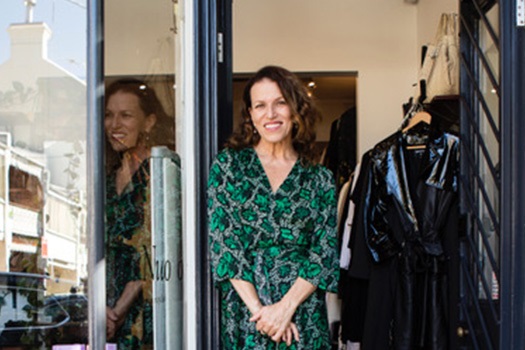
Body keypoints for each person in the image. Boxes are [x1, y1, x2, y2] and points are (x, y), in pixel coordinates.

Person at [208, 65, 340, 349]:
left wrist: (285, 308)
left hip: (301, 314)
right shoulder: (229, 167)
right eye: (260, 105)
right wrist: (263, 313)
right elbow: (225, 246)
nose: (271, 114)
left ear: (295, 109)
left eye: (280, 103)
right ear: (250, 115)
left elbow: (324, 253)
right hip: (247, 314)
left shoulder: (319, 179)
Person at [104, 78, 174, 349]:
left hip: (143, 308)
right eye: (109, 115)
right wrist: (102, 308)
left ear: (149, 122)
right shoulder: (108, 179)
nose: (114, 125)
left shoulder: (159, 174)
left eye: (126, 115)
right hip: (107, 308)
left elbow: (154, 251)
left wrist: (117, 312)